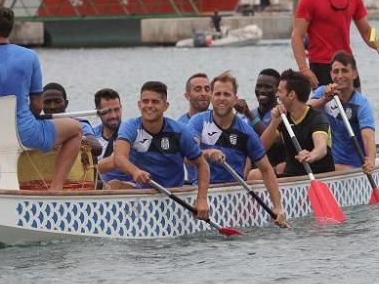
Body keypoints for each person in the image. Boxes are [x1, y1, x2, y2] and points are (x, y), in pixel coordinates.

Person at [0, 1, 82, 190]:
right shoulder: (29, 57)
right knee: (76, 129)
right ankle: (55, 188)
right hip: (25, 133)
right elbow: (38, 104)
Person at [187, 72, 288, 227]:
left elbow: (267, 170)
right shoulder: (197, 123)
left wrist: (277, 207)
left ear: (235, 99)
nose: (222, 98)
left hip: (234, 195)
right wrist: (206, 153)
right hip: (199, 194)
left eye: (227, 94)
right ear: (211, 97)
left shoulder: (246, 132)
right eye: (218, 94)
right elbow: (186, 157)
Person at [112, 81, 210, 220]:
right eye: (145, 101)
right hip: (142, 192)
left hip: (172, 194)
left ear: (165, 106)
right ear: (139, 105)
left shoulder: (180, 131)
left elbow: (202, 165)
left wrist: (201, 199)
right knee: (113, 185)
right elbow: (119, 158)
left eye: (155, 102)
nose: (149, 106)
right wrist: (135, 171)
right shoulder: (130, 127)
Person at [255, 69, 334, 178]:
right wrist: (274, 122)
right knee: (254, 175)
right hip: (291, 176)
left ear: (291, 95)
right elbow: (260, 148)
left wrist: (310, 156)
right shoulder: (283, 117)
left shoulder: (317, 118)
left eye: (280, 91)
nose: (277, 95)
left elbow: (321, 148)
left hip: (318, 176)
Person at [307, 51, 377, 172]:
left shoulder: (361, 104)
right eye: (335, 71)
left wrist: (370, 161)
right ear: (330, 74)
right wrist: (324, 100)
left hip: (352, 168)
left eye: (344, 71)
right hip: (326, 165)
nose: (339, 76)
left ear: (354, 74)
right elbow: (305, 110)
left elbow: (368, 137)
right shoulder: (322, 92)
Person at [235, 68, 287, 171]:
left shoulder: (283, 113)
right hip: (249, 169)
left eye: (268, 87)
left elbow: (270, 140)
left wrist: (248, 114)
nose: (262, 90)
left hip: (274, 168)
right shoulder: (249, 114)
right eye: (259, 86)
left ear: (277, 91)